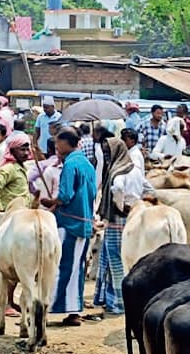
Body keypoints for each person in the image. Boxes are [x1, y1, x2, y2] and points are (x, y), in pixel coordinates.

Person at [40, 129, 97, 327]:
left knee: (60, 267)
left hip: (69, 222)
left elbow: (65, 195)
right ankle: (73, 311)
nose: (56, 147)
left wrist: (51, 201)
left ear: (67, 143)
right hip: (84, 220)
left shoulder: (70, 164)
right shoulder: (87, 163)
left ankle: (46, 309)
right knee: (77, 268)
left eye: (58, 143)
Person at [94, 135, 135, 315]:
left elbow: (117, 189)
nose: (107, 156)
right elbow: (149, 189)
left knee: (115, 261)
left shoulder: (117, 171)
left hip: (117, 220)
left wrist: (120, 206)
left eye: (108, 152)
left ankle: (118, 302)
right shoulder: (135, 169)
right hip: (133, 219)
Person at [0, 134, 32, 212]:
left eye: (27, 150)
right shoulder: (8, 169)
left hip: (22, 212)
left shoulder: (23, 168)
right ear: (12, 151)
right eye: (22, 150)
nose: (26, 153)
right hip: (10, 214)